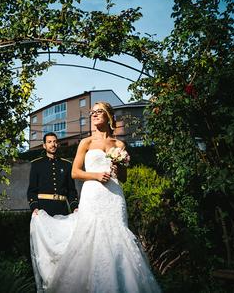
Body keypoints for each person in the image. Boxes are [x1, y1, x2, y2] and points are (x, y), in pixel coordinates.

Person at [30, 102, 162, 293]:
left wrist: (120, 168)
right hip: (93, 195)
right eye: (92, 112)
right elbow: (75, 172)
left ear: (108, 116)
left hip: (114, 197)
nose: (94, 114)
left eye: (99, 111)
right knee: (91, 238)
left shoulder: (119, 144)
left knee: (118, 236)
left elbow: (123, 178)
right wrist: (95, 175)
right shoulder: (86, 142)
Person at [27, 132, 79, 216]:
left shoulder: (67, 165)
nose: (53, 144)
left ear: (57, 144)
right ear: (44, 145)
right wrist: (35, 207)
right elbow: (32, 190)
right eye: (49, 142)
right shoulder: (36, 164)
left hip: (62, 210)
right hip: (43, 210)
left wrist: (75, 207)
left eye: (55, 141)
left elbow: (71, 190)